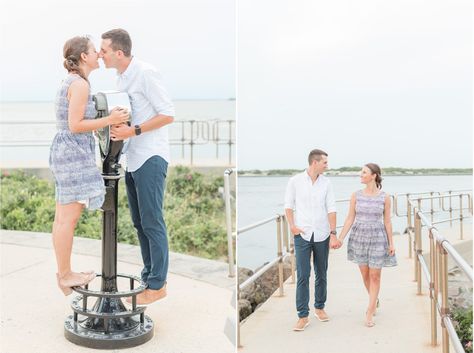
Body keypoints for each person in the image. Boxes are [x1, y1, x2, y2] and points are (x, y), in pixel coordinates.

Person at [99, 29, 175, 305]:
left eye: (103, 50)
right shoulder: (122, 78)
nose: (100, 54)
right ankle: (148, 276)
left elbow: (168, 114)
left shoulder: (146, 72)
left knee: (153, 221)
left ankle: (158, 285)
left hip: (151, 157)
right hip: (133, 159)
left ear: (119, 52)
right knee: (139, 222)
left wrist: (133, 131)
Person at [50, 36, 129, 295]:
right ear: (84, 56)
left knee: (63, 218)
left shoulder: (73, 81)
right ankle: (65, 275)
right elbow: (75, 125)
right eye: (95, 50)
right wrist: (111, 120)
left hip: (67, 150)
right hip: (72, 154)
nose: (98, 54)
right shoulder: (80, 84)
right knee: (67, 219)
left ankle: (64, 273)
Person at [334, 163, 397, 327]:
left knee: (375, 275)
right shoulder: (356, 195)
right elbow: (349, 218)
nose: (360, 175)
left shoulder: (385, 197)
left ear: (373, 175)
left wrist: (392, 243)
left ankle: (369, 311)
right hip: (359, 236)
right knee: (365, 274)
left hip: (378, 237)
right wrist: (340, 238)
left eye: (364, 172)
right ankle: (374, 299)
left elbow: (388, 221)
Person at [284, 149, 337, 331]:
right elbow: (288, 206)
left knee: (321, 273)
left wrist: (333, 233)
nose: (327, 166)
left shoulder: (327, 183)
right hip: (302, 234)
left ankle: (320, 307)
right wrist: (292, 226)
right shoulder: (295, 181)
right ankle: (302, 315)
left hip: (322, 234)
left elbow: (331, 208)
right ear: (315, 162)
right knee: (303, 275)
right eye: (325, 163)